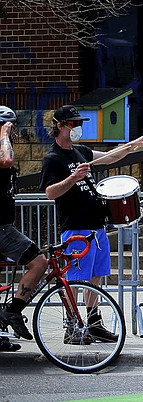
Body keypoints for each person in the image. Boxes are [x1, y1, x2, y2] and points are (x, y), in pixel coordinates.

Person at [40, 105, 143, 343]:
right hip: (76, 227)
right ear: (60, 126)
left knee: (95, 276)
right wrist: (73, 177)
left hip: (96, 226)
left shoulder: (80, 150)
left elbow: (111, 157)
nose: (78, 128)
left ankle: (93, 322)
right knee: (75, 278)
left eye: (79, 123)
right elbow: (50, 193)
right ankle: (71, 326)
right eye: (73, 124)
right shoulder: (53, 158)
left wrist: (134, 143)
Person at [0, 106, 47, 350]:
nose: (14, 133)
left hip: (4, 227)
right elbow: (7, 160)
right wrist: (2, 134)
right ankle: (13, 312)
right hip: (1, 229)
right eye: (11, 127)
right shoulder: (1, 149)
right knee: (40, 262)